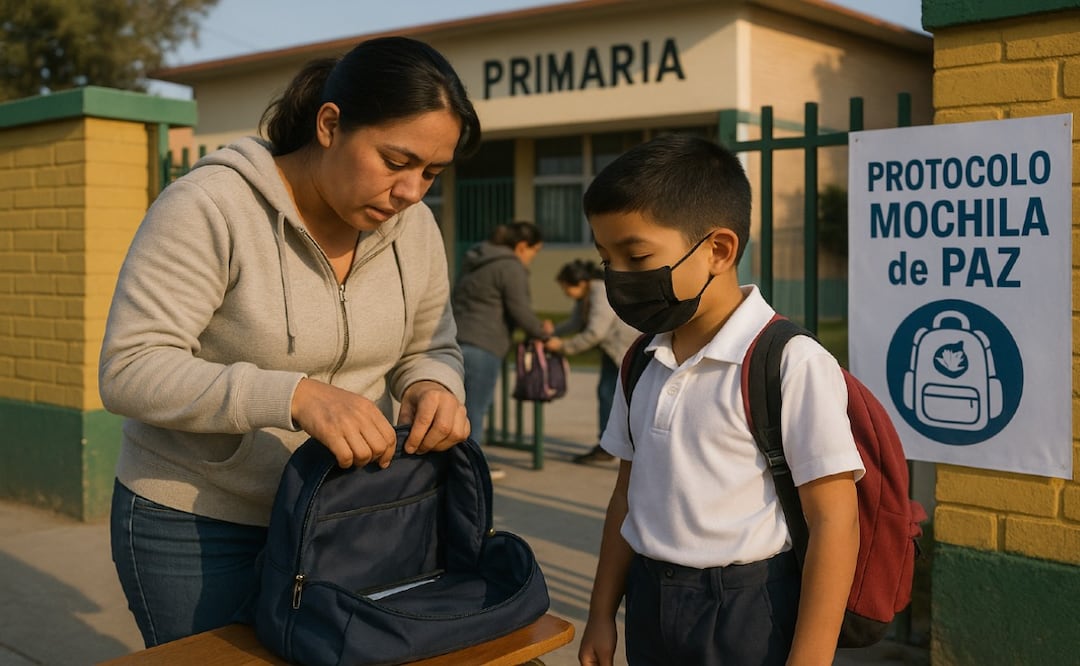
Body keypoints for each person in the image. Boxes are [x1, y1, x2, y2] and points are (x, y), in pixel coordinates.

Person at [98, 36, 480, 647]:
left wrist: (435, 383)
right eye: (396, 160)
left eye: (432, 172)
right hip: (202, 520)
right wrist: (295, 396)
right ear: (330, 124)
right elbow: (131, 368)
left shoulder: (414, 227)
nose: (412, 191)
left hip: (341, 515)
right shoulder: (210, 206)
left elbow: (431, 344)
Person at [577, 135, 864, 666]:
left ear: (718, 249)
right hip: (649, 598)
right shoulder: (641, 359)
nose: (617, 276)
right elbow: (626, 494)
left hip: (747, 610)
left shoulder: (790, 362)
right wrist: (600, 613)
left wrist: (810, 658)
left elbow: (834, 521)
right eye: (605, 258)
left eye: (635, 255)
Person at [452, 221, 552, 479]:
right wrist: (543, 333)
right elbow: (519, 310)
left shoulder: (476, 258)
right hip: (484, 343)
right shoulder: (510, 266)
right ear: (521, 246)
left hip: (457, 340)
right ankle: (469, 471)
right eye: (534, 251)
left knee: (458, 407)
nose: (533, 258)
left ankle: (457, 463)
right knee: (475, 409)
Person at [545, 259, 640, 465]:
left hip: (626, 349)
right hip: (613, 350)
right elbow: (576, 322)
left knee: (616, 395)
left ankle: (613, 447)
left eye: (566, 288)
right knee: (608, 393)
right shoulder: (587, 295)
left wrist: (562, 347)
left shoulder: (600, 292)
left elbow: (595, 332)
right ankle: (609, 445)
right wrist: (552, 333)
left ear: (579, 282)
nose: (566, 293)